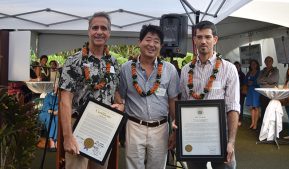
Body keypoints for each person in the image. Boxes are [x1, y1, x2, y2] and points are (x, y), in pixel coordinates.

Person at [59, 12, 124, 169]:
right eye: (95, 27)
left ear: (109, 33)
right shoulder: (74, 60)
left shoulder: (114, 62)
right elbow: (65, 101)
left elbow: (115, 92)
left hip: (103, 126)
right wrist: (67, 136)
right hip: (79, 125)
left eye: (104, 28)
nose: (99, 32)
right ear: (89, 31)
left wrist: (121, 105)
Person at [179, 21, 239, 169]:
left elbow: (233, 107)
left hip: (220, 137)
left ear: (215, 39)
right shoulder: (186, 70)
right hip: (193, 136)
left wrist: (231, 142)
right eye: (199, 37)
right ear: (194, 41)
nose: (203, 41)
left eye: (207, 37)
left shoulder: (229, 69)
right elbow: (184, 102)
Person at [119, 24, 180, 169]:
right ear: (139, 42)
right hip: (134, 126)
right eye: (148, 40)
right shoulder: (126, 68)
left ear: (161, 45)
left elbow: (173, 101)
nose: (152, 44)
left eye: (156, 41)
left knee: (158, 167)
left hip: (160, 128)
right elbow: (120, 97)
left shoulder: (169, 70)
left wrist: (175, 131)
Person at [257, 56, 279, 127]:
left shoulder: (275, 70)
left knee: (271, 111)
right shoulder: (262, 71)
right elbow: (258, 81)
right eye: (266, 61)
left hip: (272, 94)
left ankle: (271, 127)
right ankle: (264, 127)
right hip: (263, 94)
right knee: (263, 110)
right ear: (265, 62)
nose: (268, 62)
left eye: (270, 61)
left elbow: (274, 79)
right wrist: (268, 81)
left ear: (272, 62)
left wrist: (264, 80)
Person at [38, 83, 59, 151]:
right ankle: (52, 141)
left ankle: (56, 141)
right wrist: (52, 112)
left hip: (57, 113)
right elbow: (45, 107)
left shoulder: (62, 96)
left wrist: (58, 111)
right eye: (55, 86)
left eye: (58, 86)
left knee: (57, 119)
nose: (56, 88)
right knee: (50, 119)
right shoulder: (49, 95)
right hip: (46, 113)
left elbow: (62, 106)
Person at [244, 59, 261, 130]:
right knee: (251, 108)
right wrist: (248, 82)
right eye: (252, 64)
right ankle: (252, 122)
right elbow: (245, 80)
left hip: (256, 91)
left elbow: (259, 81)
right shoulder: (249, 72)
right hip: (250, 91)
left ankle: (256, 124)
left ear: (257, 65)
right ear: (250, 65)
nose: (253, 65)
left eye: (254, 63)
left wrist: (253, 83)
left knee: (256, 107)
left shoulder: (259, 72)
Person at [234, 61, 246, 126]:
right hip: (234, 93)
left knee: (240, 106)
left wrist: (238, 88)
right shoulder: (232, 73)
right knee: (234, 106)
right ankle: (235, 119)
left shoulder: (242, 74)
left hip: (241, 93)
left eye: (237, 66)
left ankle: (240, 119)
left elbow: (244, 84)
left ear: (239, 66)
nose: (236, 67)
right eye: (235, 66)